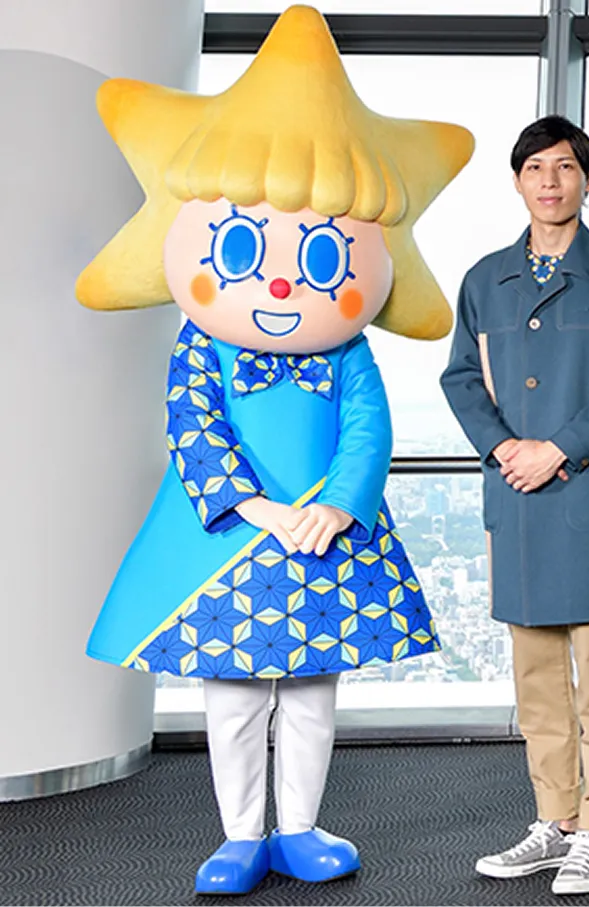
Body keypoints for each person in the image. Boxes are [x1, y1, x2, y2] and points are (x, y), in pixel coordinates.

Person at [76, 6, 467, 895]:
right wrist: (262, 508)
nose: (286, 279)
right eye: (248, 245)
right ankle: (240, 832)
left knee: (313, 690)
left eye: (323, 254)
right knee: (236, 694)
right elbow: (193, 429)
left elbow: (370, 428)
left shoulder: (350, 349)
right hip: (232, 539)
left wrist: (336, 504)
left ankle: (300, 824)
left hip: (327, 534)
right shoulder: (201, 343)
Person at [441, 114, 589, 897]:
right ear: (518, 181)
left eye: (564, 168)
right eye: (535, 168)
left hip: (588, 494)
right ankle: (554, 820)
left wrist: (555, 450)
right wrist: (505, 449)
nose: (550, 181)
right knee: (535, 677)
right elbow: (461, 379)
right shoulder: (483, 280)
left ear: (588, 180)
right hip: (517, 499)